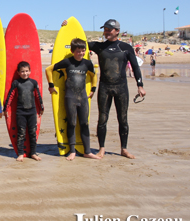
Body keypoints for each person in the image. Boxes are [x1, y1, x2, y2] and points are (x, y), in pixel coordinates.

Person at [63, 19, 146, 159]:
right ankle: (101, 148)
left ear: (117, 31)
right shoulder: (99, 46)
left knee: (123, 119)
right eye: (105, 29)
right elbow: (76, 43)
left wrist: (140, 85)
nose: (106, 31)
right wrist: (67, 27)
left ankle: (124, 149)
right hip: (105, 87)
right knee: (102, 119)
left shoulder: (126, 47)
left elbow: (135, 66)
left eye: (109, 29)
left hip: (121, 87)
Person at [45, 38, 100, 160]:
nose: (80, 53)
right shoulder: (67, 62)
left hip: (83, 97)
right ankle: (72, 151)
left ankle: (87, 151)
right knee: (72, 123)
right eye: (78, 51)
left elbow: (94, 75)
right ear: (72, 51)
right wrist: (51, 85)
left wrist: (93, 89)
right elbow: (48, 69)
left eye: (83, 50)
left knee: (84, 123)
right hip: (70, 97)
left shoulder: (87, 63)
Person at [3, 61, 44, 162]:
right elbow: (10, 96)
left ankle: (33, 153)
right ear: (18, 72)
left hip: (32, 111)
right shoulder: (16, 83)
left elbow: (38, 96)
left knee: (32, 133)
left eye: (26, 71)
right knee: (21, 133)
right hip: (20, 112)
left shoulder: (33, 82)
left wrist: (41, 107)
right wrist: (5, 109)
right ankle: (21, 153)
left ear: (30, 71)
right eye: (22, 71)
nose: (25, 73)